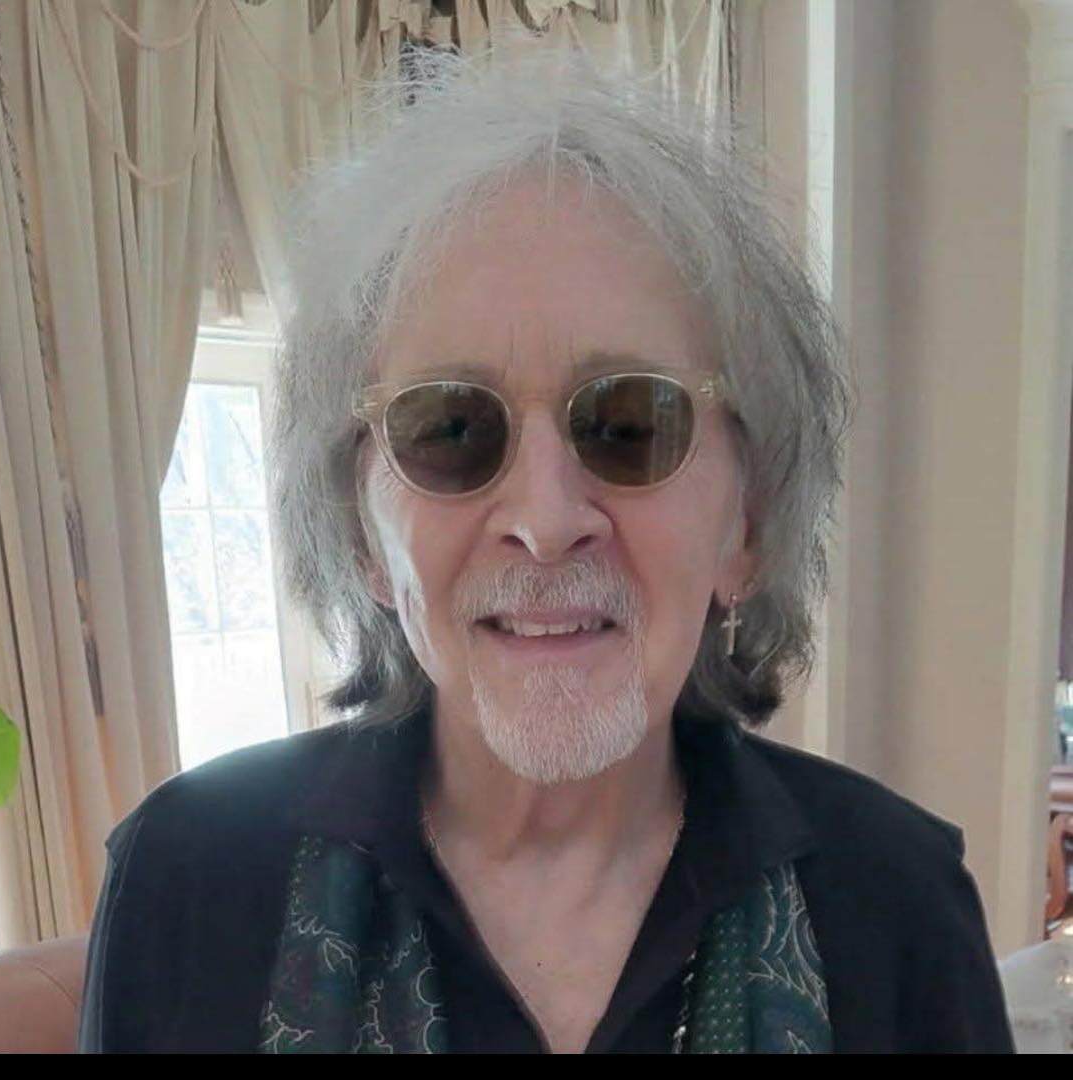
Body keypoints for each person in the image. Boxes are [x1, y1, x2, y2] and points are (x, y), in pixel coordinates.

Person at [79, 41, 1014, 1053]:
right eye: (449, 429)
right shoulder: (187, 882)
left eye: (630, 423)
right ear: (362, 536)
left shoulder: (898, 903)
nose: (546, 516)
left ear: (747, 524)